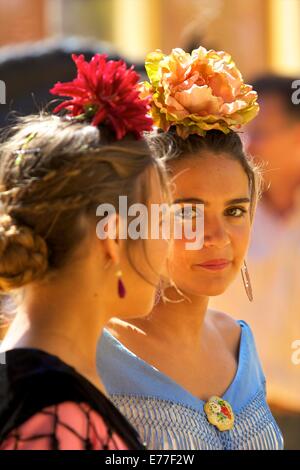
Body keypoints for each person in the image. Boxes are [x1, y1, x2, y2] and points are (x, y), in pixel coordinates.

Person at [97, 47, 284, 450]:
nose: (216, 236)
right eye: (187, 213)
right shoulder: (95, 355)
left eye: (235, 210)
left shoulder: (238, 342)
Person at [0, 53, 169, 450]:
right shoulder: (53, 417)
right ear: (111, 237)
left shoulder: (42, 386)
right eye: (160, 221)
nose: (171, 246)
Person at [210, 75, 300, 449]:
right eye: (242, 133)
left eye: (260, 133)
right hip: (236, 418)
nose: (246, 146)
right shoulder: (223, 214)